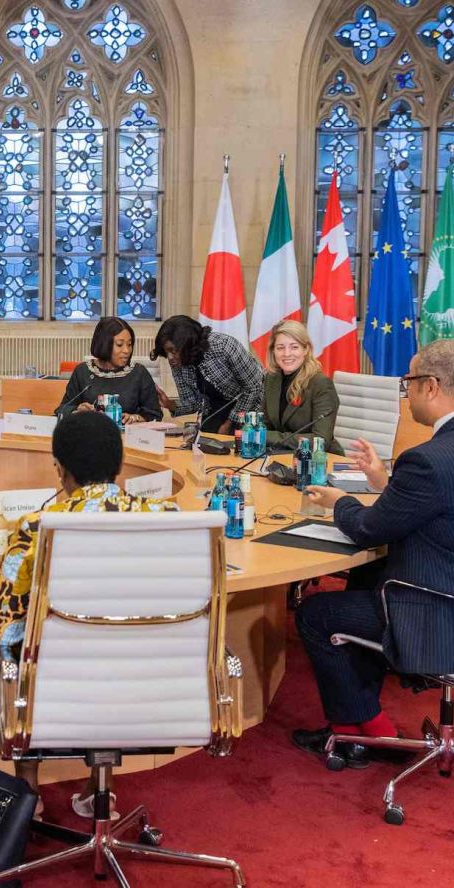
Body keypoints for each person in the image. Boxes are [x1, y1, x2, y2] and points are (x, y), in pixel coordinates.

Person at [0, 411, 178, 813]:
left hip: (61, 674)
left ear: (59, 469)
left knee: (21, 645)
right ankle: (98, 788)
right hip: (147, 671)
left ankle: (29, 794)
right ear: (120, 466)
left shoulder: (39, 527)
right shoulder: (167, 520)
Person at [292, 339, 454, 766]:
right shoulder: (434, 459)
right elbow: (434, 508)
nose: (407, 394)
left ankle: (365, 730)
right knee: (366, 580)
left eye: (410, 384)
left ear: (432, 387)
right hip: (443, 579)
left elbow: (368, 529)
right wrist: (385, 482)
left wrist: (337, 500)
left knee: (315, 614)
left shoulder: (427, 459)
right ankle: (353, 729)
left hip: (435, 606)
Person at [151, 316, 263, 435]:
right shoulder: (178, 363)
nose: (170, 358)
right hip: (216, 409)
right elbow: (193, 403)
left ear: (186, 344)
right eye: (166, 352)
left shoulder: (223, 346)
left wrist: (230, 423)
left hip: (252, 404)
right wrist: (169, 404)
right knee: (204, 443)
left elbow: (254, 386)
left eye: (173, 351)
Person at [56, 316, 161, 423]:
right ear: (104, 344)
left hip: (128, 436)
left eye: (129, 344)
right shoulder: (82, 371)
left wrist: (135, 418)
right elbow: (62, 410)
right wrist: (77, 411)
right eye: (119, 345)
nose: (127, 350)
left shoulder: (139, 373)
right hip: (88, 435)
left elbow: (154, 414)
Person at [262, 319, 341, 451]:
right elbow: (265, 425)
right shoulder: (271, 379)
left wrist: (265, 437)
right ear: (273, 351)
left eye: (294, 347)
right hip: (281, 456)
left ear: (306, 349)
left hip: (319, 461)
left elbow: (320, 440)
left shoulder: (321, 384)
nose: (287, 354)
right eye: (280, 348)